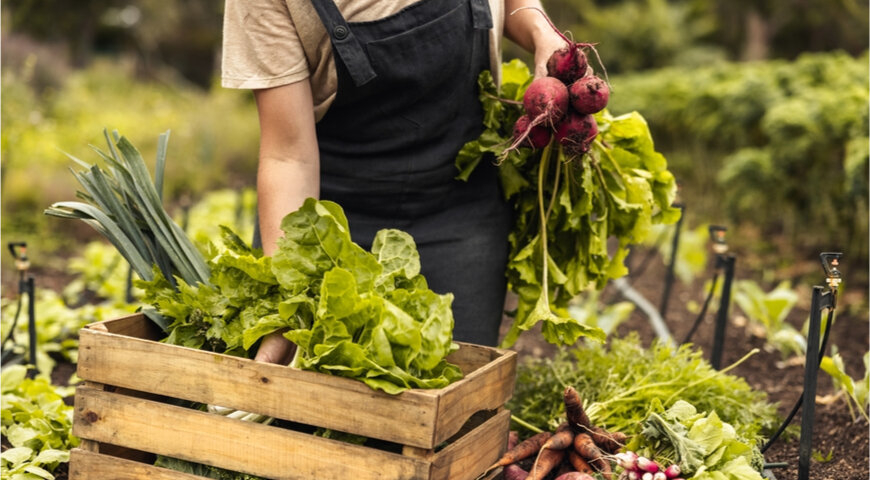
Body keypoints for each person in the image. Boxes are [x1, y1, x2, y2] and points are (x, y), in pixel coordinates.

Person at [221, 0, 565, 364]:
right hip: (333, 232)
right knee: (314, 409)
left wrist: (541, 32)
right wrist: (285, 296)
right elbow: (288, 156)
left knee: (456, 401)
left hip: (463, 213)